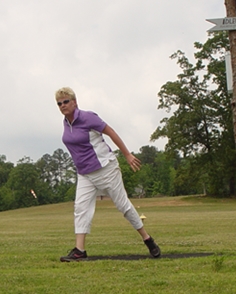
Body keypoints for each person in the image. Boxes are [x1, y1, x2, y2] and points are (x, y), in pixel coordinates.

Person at [55, 87, 160, 262]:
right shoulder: (66, 123)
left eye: (66, 101)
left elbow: (110, 131)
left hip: (106, 169)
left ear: (74, 102)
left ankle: (148, 239)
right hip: (85, 174)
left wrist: (127, 154)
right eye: (59, 103)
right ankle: (79, 251)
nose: (62, 105)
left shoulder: (88, 117)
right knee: (80, 209)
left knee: (123, 207)